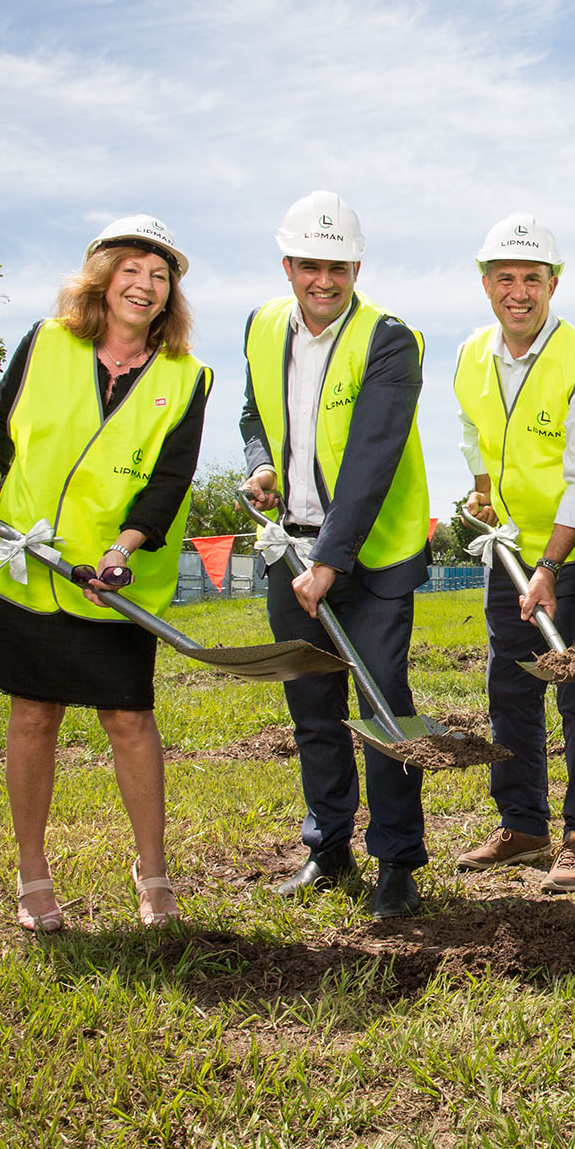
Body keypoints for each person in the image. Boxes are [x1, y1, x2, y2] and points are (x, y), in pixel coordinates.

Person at [0, 215, 211, 932]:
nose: (146, 285)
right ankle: (33, 876)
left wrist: (125, 549)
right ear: (103, 277)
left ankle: (152, 870)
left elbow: (169, 479)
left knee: (129, 719)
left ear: (169, 297)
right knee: (33, 715)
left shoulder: (187, 377)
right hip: (28, 565)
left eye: (160, 277)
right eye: (133, 270)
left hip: (109, 577)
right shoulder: (45, 343)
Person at [241, 191, 432, 920]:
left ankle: (398, 862)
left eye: (340, 267)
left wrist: (332, 559)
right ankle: (327, 849)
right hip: (289, 549)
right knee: (311, 708)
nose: (326, 280)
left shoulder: (390, 339)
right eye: (311, 265)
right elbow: (255, 411)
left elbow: (372, 457)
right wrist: (262, 462)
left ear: (358, 265)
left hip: (371, 559)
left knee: (384, 706)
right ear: (288, 264)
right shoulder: (261, 326)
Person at [453, 214, 575, 893]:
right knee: (512, 684)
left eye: (533, 277)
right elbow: (473, 431)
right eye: (505, 277)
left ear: (554, 283)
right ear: (486, 284)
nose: (519, 291)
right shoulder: (473, 355)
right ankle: (523, 825)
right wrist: (482, 491)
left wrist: (551, 568)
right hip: (515, 549)